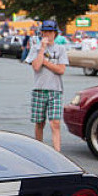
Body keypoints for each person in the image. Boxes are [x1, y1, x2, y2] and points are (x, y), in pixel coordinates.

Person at [25, 20, 68, 152]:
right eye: (45, 32)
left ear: (55, 33)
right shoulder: (36, 48)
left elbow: (61, 69)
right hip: (39, 89)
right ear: (41, 33)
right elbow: (36, 67)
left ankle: (57, 152)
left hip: (55, 89)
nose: (48, 35)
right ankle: (39, 150)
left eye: (50, 32)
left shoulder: (61, 49)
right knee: (39, 123)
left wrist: (45, 62)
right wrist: (42, 49)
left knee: (55, 123)